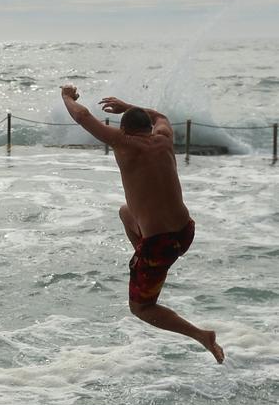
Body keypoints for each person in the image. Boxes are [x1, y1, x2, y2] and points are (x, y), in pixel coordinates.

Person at [60, 85, 224, 364]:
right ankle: (142, 253)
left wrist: (66, 96)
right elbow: (160, 115)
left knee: (142, 308)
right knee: (126, 212)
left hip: (161, 245)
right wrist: (126, 105)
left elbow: (83, 116)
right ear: (149, 126)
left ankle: (201, 335)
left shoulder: (124, 143)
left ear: (124, 130)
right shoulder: (164, 136)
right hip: (185, 232)